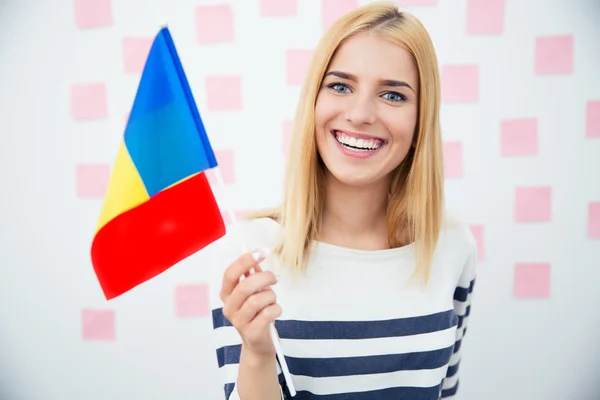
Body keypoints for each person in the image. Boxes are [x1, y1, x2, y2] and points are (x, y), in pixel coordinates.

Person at [207, 2, 478, 399]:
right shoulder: (251, 251)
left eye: (392, 95)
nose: (360, 114)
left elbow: (445, 391)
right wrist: (257, 355)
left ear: (422, 118)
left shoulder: (452, 246)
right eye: (340, 86)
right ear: (313, 101)